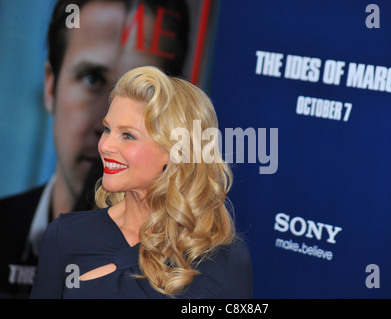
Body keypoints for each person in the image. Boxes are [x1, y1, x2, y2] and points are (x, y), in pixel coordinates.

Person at [0, 0, 190, 298]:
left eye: (144, 97)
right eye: (92, 79)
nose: (108, 132)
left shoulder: (191, 267)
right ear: (51, 87)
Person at [30, 66, 253, 298]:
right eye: (107, 129)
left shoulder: (223, 259)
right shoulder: (66, 234)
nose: (105, 146)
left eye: (128, 135)